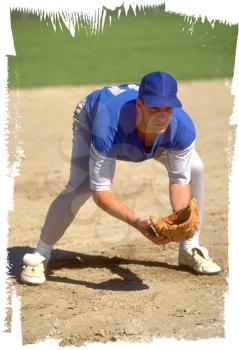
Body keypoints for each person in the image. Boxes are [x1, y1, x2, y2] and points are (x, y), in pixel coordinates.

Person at [21, 71, 221, 285]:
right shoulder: (107, 124)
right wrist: (136, 221)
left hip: (148, 140)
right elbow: (100, 192)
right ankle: (40, 254)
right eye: (154, 108)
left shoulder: (181, 128)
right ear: (139, 104)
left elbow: (180, 181)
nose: (162, 116)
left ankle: (190, 248)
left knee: (196, 168)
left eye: (168, 109)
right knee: (80, 187)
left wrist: (180, 224)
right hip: (93, 117)